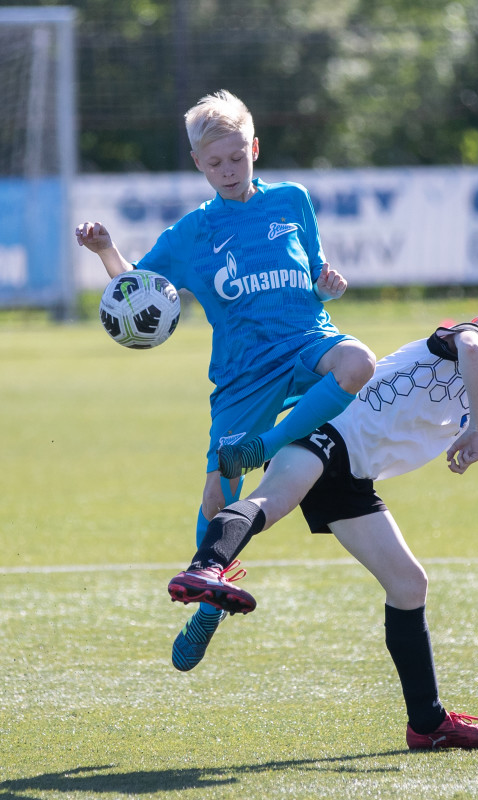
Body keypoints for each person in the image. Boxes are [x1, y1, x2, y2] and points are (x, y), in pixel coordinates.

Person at [166, 287, 478, 750]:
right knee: (271, 502)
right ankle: (205, 568)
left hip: (352, 477)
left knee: (409, 585)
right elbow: (471, 348)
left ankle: (428, 724)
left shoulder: (471, 404)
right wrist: (472, 422)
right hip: (324, 432)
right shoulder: (458, 339)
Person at [75, 89, 375, 672]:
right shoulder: (191, 234)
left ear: (254, 148)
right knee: (219, 498)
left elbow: (313, 275)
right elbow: (137, 290)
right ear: (197, 164)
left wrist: (328, 285)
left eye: (237, 158)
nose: (228, 171)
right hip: (243, 373)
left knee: (359, 362)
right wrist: (107, 250)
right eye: (215, 163)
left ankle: (261, 447)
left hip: (308, 341)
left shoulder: (293, 201)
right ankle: (208, 605)